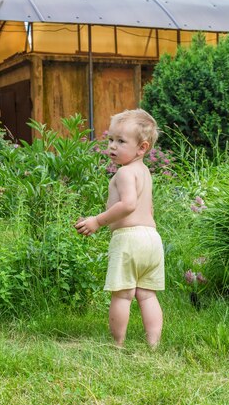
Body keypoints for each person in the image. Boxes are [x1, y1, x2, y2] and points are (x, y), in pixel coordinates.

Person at [75, 109, 164, 348]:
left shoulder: (124, 173)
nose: (112, 146)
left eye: (121, 141)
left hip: (128, 239)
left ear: (142, 147)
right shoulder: (144, 172)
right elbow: (149, 208)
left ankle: (117, 344)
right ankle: (153, 344)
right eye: (111, 140)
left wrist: (97, 221)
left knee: (122, 294)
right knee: (147, 295)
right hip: (152, 239)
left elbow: (128, 205)